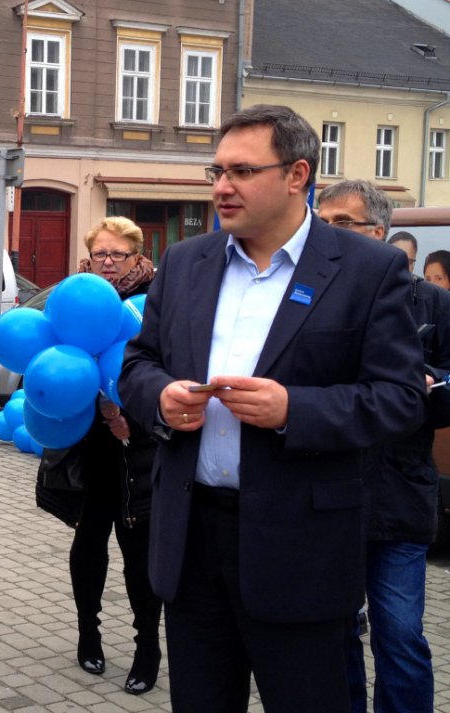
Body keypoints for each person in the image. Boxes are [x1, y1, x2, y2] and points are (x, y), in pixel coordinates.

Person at [118, 104, 426, 713]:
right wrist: (162, 397)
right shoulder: (186, 262)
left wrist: (294, 410)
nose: (222, 187)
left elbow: (400, 398)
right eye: (217, 171)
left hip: (301, 549)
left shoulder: (367, 269)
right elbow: (137, 363)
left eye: (241, 171)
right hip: (192, 541)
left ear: (297, 175)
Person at [316, 180, 450, 713]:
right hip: (328, 498)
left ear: (377, 232)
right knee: (337, 630)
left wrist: (426, 387)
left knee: (399, 636)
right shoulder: (311, 297)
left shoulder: (433, 302)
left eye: (341, 224)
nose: (328, 235)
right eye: (321, 224)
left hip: (400, 497)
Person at [68, 217, 163, 694]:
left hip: (139, 449)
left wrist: (136, 424)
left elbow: (169, 373)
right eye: (100, 254)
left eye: (117, 255)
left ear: (136, 257)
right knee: (88, 545)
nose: (107, 263)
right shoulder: (76, 295)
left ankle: (148, 648)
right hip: (89, 445)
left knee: (139, 556)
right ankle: (89, 635)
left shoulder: (154, 300)